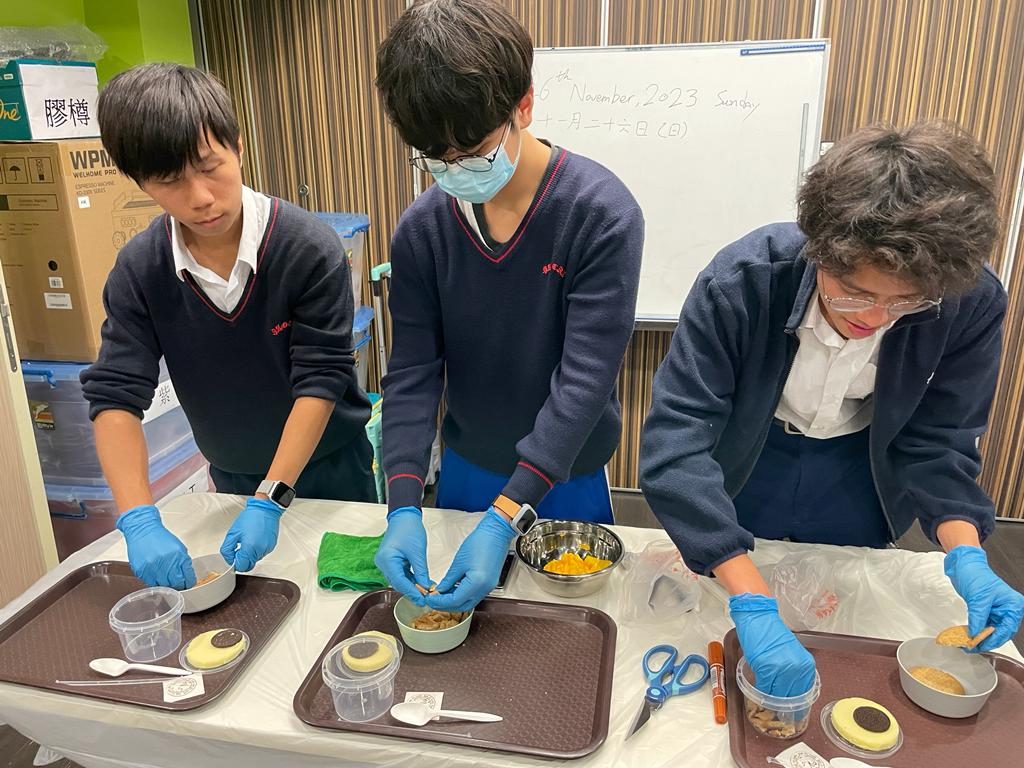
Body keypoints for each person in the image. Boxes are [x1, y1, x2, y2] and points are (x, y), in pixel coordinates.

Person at [640, 121, 1024, 696]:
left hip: (859, 466)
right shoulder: (745, 280)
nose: (874, 317)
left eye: (905, 302)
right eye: (854, 292)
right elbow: (678, 441)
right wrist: (752, 599)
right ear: (818, 249)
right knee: (724, 600)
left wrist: (966, 553)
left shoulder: (966, 299)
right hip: (751, 454)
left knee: (847, 619)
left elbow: (939, 440)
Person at [372, 0, 644, 611]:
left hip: (564, 470)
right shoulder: (422, 231)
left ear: (523, 105)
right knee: (457, 620)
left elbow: (584, 382)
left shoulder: (599, 214)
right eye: (433, 157)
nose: (453, 169)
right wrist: (403, 503)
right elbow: (412, 373)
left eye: (471, 149)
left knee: (566, 624)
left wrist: (506, 516)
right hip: (468, 463)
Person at [81, 63, 374, 589]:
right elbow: (115, 395)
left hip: (333, 471)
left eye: (209, 167)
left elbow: (322, 378)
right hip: (231, 476)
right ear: (140, 182)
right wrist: (138, 517)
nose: (199, 197)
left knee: (344, 601)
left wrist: (272, 498)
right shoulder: (141, 269)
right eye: (170, 181)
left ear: (237, 147)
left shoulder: (307, 248)